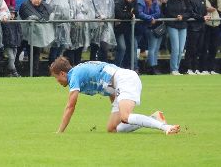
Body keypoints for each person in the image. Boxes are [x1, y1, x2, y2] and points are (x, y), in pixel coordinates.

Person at [51, 57, 180, 134]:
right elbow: (107, 84)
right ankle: (154, 118)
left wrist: (60, 131)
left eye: (57, 78)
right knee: (112, 128)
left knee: (125, 116)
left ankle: (165, 127)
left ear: (63, 73)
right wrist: (115, 105)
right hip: (118, 84)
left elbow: (70, 107)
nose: (58, 82)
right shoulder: (78, 71)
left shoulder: (74, 77)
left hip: (125, 79)